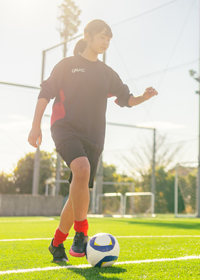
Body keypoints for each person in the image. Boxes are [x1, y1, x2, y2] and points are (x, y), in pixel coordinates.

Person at [28, 19, 158, 263]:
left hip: (95, 136)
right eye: (101, 37)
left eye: (109, 39)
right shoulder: (67, 65)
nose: (105, 42)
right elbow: (45, 93)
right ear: (87, 36)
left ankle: (57, 244)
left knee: (79, 188)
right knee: (82, 168)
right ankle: (81, 233)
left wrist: (144, 96)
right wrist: (35, 126)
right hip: (65, 127)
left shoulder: (107, 73)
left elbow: (126, 99)